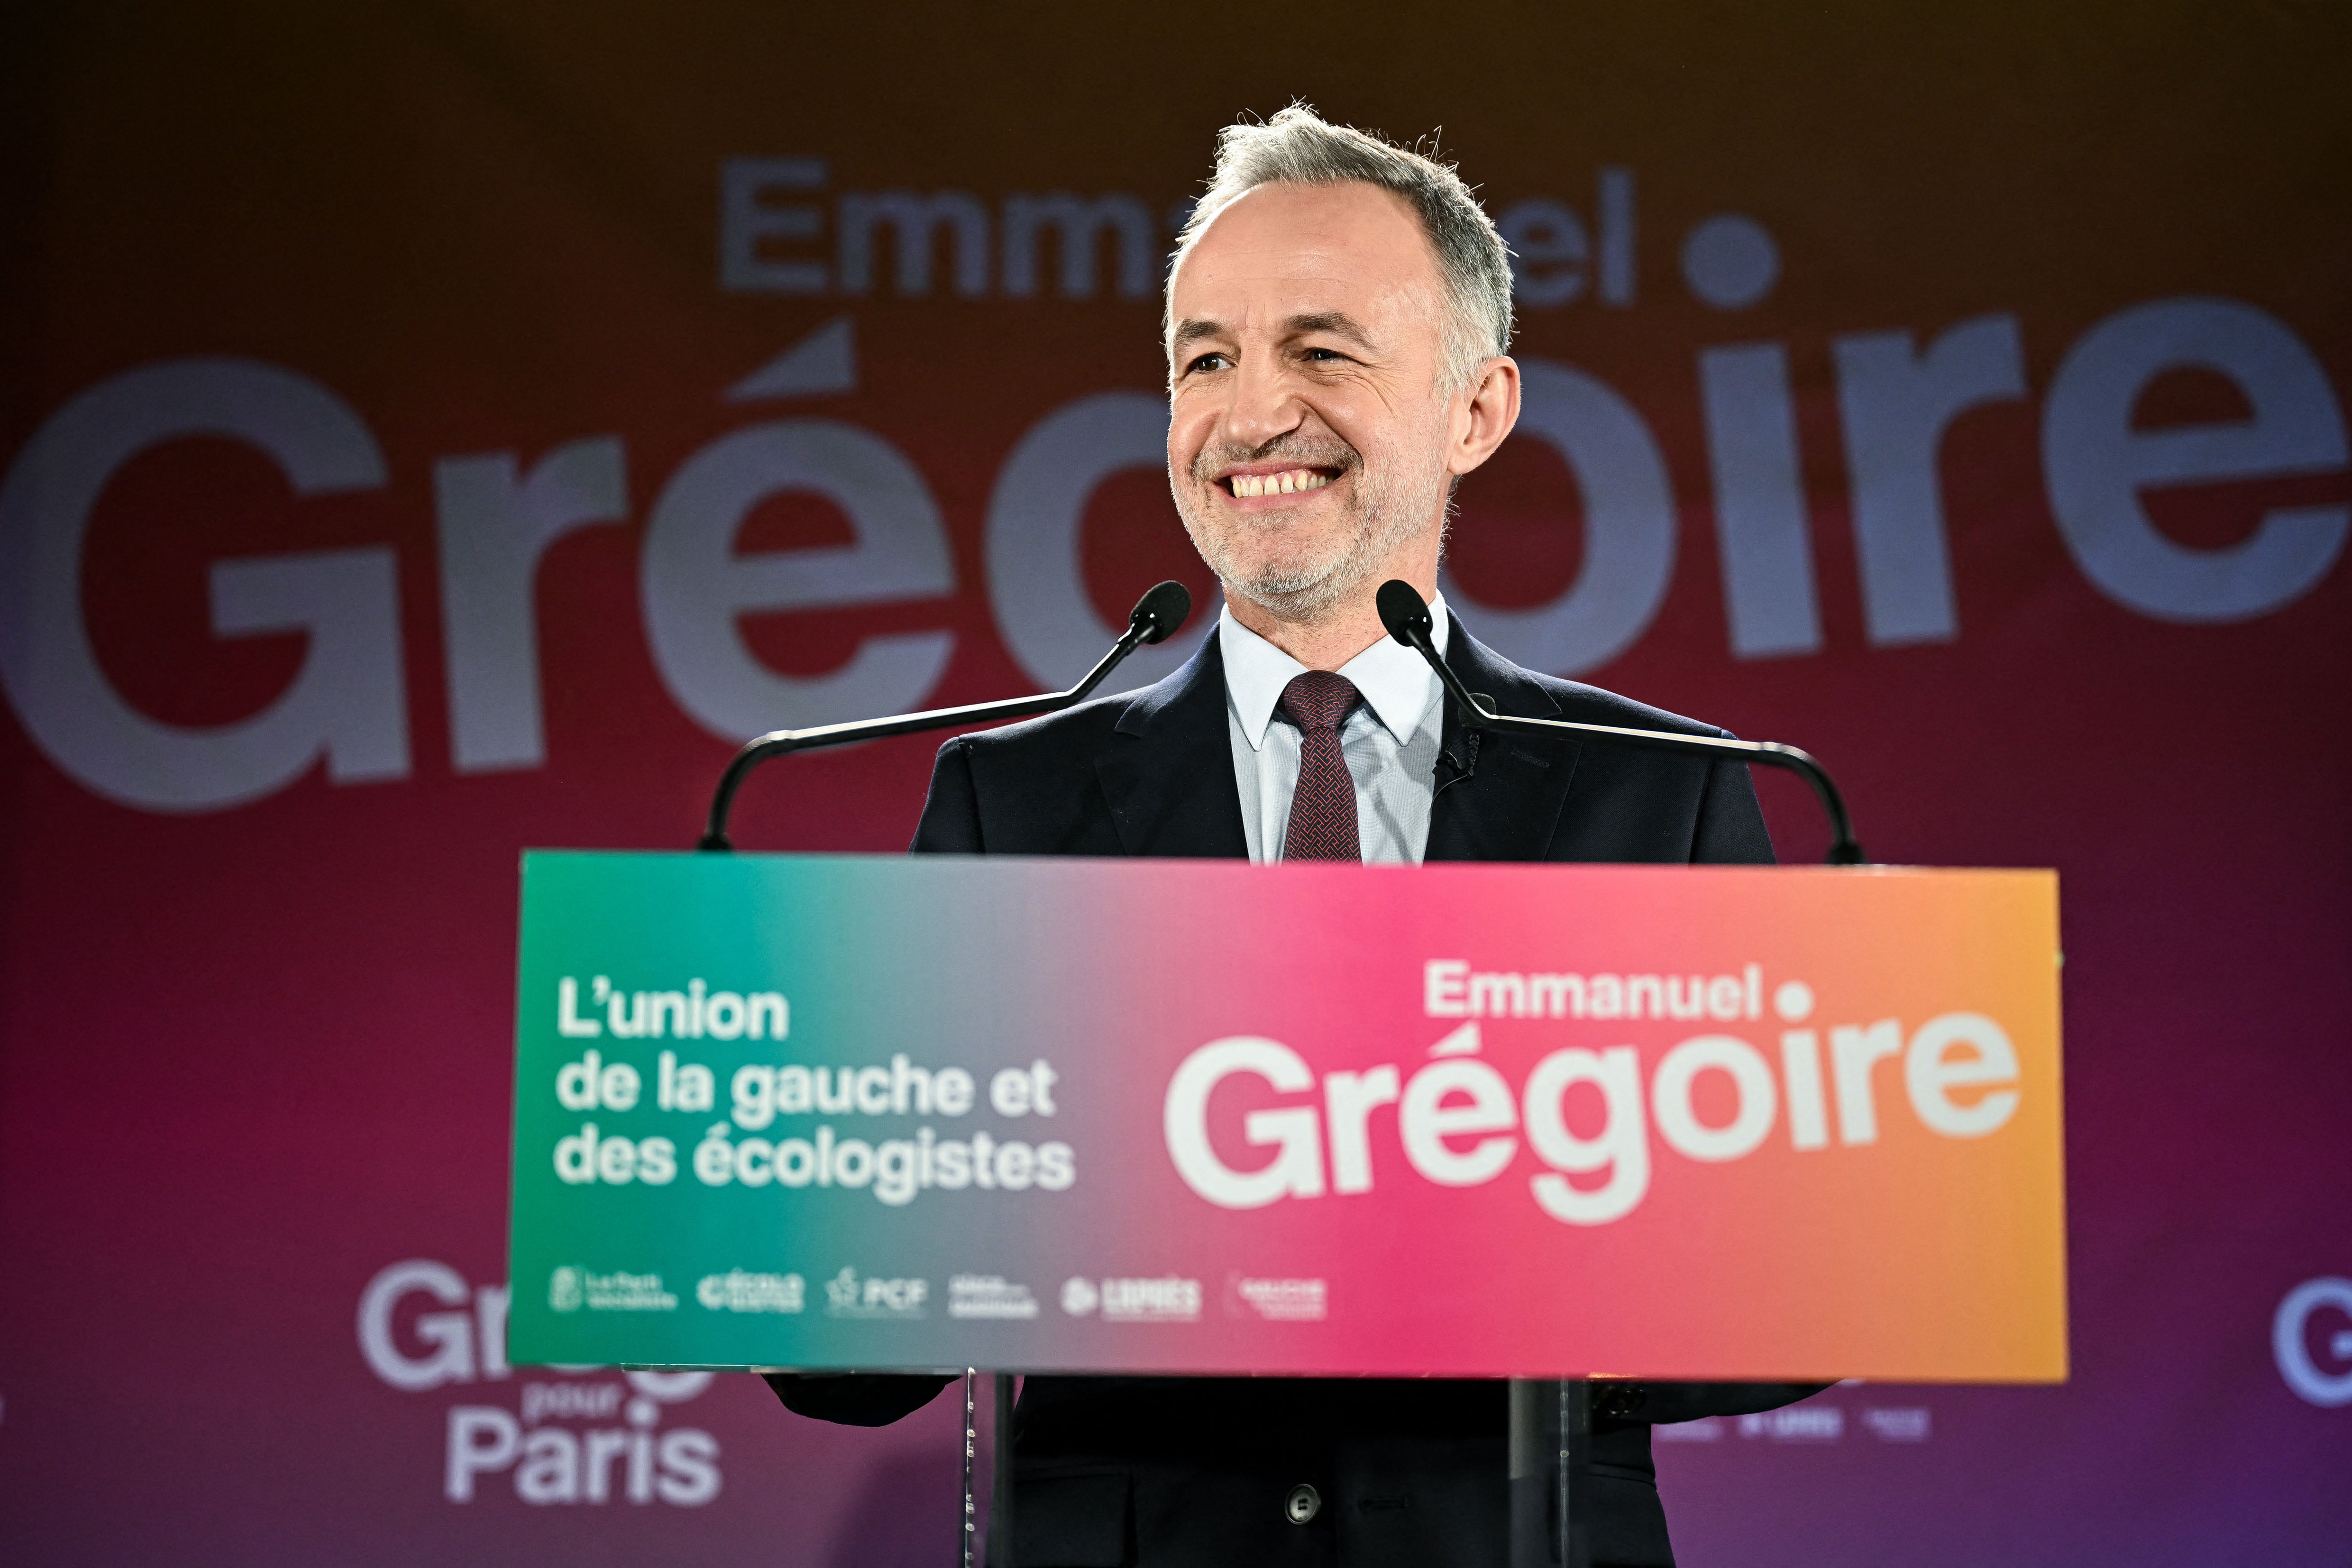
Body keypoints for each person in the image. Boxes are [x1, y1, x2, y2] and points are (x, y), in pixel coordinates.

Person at [768, 105, 1824, 1568]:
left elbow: (1791, 1296)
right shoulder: (1012, 804)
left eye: (1321, 351)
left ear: (1476, 407)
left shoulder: (1657, 791)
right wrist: (797, 1200)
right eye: (1206, 359)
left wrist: (1486, 1276)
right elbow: (844, 1365)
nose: (1251, 412)